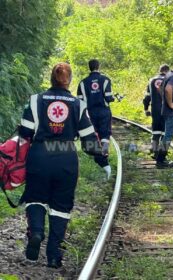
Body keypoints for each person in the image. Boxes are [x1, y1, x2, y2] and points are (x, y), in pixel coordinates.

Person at [18, 62, 102, 268]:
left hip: (40, 155)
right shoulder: (78, 104)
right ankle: (54, 255)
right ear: (69, 80)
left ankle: (36, 232)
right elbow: (89, 139)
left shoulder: (36, 100)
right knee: (61, 207)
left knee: (35, 197)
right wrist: (101, 155)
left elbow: (25, 133)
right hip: (66, 157)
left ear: (51, 78)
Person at [77, 59, 114, 179]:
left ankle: (98, 157)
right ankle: (104, 155)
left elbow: (80, 101)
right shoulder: (105, 80)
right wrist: (114, 98)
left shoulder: (82, 83)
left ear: (89, 67)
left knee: (94, 135)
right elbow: (108, 97)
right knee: (104, 135)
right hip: (104, 111)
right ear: (98, 66)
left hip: (90, 112)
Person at [143, 64, 170, 158]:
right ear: (168, 71)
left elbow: (147, 97)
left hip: (155, 108)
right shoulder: (170, 79)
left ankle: (154, 150)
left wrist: (146, 108)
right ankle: (162, 153)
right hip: (167, 109)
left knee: (155, 130)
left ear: (160, 70)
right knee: (165, 131)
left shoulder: (152, 80)